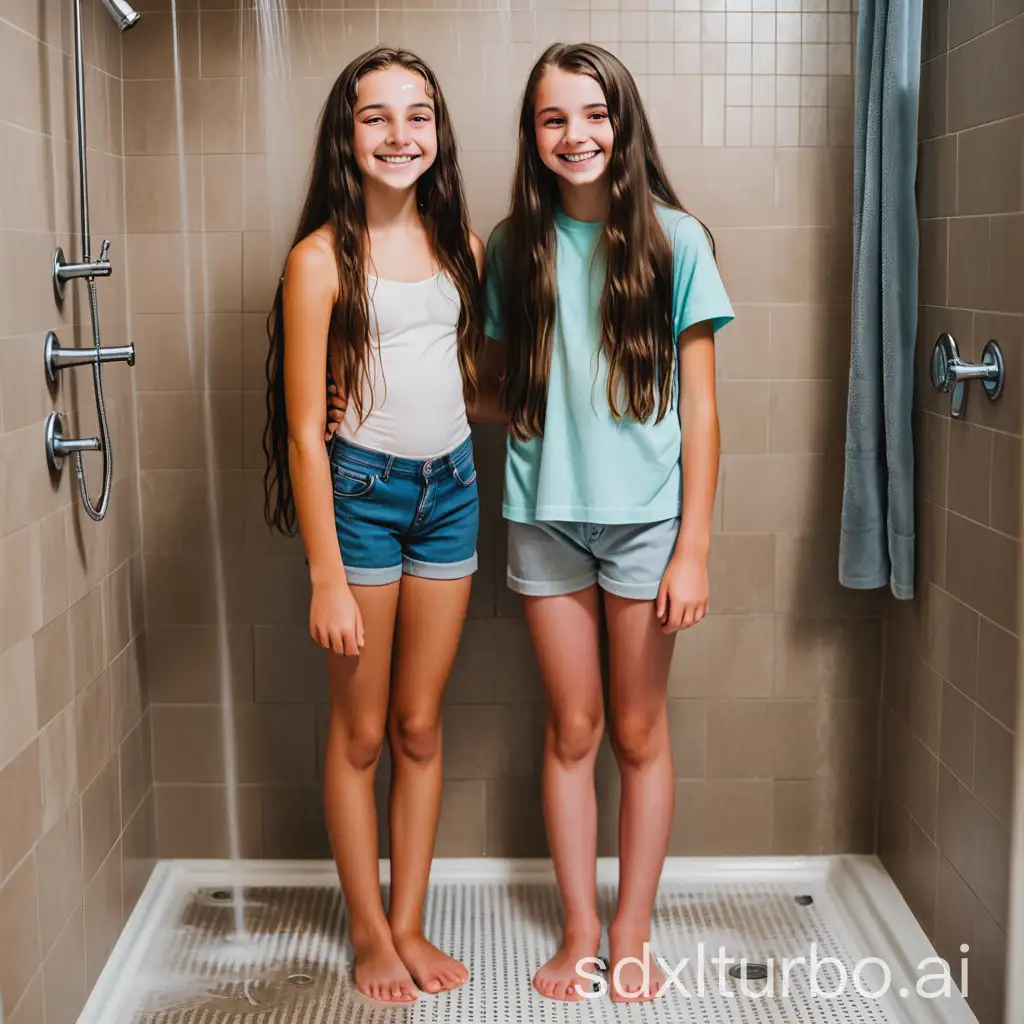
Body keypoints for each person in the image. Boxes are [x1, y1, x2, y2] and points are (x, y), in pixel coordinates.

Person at [482, 42, 734, 1003]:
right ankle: (579, 928)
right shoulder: (514, 246)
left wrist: (694, 549)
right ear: (533, 134)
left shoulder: (678, 242)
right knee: (573, 727)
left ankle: (631, 929)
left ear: (622, 124)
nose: (576, 135)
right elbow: (505, 393)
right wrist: (377, 400)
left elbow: (703, 413)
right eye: (554, 119)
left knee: (636, 731)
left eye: (594, 114)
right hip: (545, 520)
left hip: (645, 529)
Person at [262, 46, 486, 1004]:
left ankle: (409, 921)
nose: (401, 135)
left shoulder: (462, 248)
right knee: (360, 736)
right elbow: (306, 434)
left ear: (438, 131)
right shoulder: (317, 260)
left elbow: (470, 388)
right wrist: (323, 572)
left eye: (418, 114)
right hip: (359, 501)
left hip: (454, 493)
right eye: (376, 117)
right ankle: (366, 931)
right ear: (345, 137)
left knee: (421, 725)